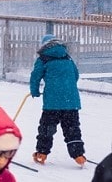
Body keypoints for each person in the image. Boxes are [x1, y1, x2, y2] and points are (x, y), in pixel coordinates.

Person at [29, 35, 87, 166]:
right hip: (71, 102)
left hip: (52, 103)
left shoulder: (43, 58)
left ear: (43, 45)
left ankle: (42, 153)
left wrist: (35, 91)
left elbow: (35, 77)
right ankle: (78, 155)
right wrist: (67, 88)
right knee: (72, 128)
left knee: (46, 129)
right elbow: (76, 75)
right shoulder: (67, 57)